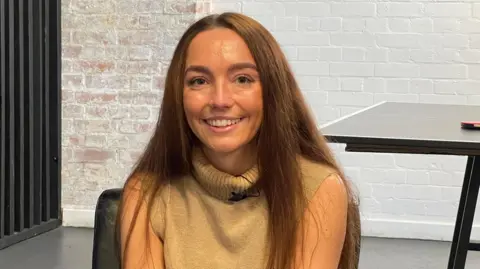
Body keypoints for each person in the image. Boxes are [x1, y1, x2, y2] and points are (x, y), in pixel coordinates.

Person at [116, 12, 361, 269]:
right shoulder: (145, 191)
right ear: (179, 95)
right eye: (199, 81)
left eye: (242, 79)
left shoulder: (318, 188)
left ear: (272, 90)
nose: (220, 100)